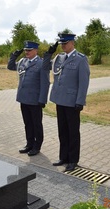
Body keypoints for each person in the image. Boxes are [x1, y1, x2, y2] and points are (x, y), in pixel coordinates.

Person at [42, 33, 90, 171]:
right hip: (60, 100)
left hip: (72, 102)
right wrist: (48, 54)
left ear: (72, 43)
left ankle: (73, 160)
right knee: (62, 130)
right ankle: (63, 157)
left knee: (73, 132)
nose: (63, 45)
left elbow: (83, 82)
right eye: (61, 43)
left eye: (65, 43)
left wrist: (80, 101)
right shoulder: (59, 58)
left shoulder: (80, 59)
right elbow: (45, 67)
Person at [7, 41, 50, 156]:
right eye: (25, 50)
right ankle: (29, 143)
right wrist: (14, 56)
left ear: (36, 50)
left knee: (36, 124)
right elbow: (10, 66)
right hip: (24, 98)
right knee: (27, 123)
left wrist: (42, 99)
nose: (27, 52)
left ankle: (37, 146)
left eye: (29, 50)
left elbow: (45, 83)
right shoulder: (22, 61)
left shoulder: (41, 64)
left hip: (35, 100)